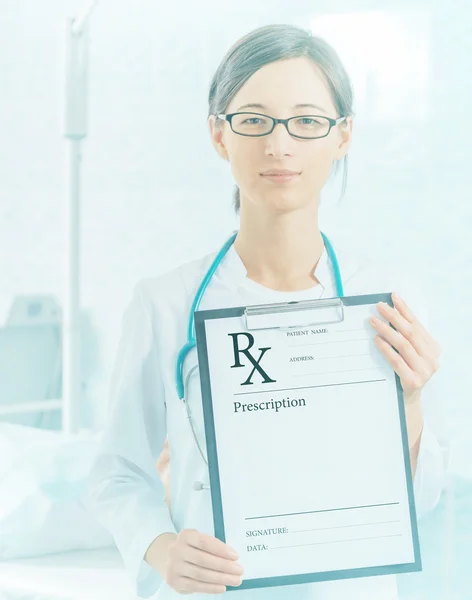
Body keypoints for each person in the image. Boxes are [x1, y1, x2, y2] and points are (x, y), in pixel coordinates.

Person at [85, 23, 449, 600]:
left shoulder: (386, 298)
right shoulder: (164, 302)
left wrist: (408, 401)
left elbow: (421, 499)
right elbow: (117, 472)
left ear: (343, 136)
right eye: (253, 120)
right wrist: (162, 550)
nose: (278, 146)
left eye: (306, 122)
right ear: (218, 134)